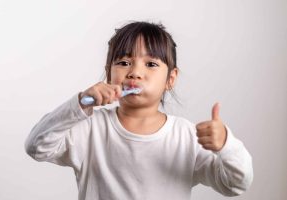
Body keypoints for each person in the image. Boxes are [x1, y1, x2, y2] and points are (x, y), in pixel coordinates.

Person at [24, 21, 253, 200]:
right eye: (124, 63)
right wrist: (81, 103)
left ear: (170, 79)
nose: (134, 72)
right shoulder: (91, 127)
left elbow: (235, 184)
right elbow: (37, 147)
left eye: (151, 64)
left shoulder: (186, 137)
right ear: (108, 72)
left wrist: (226, 145)